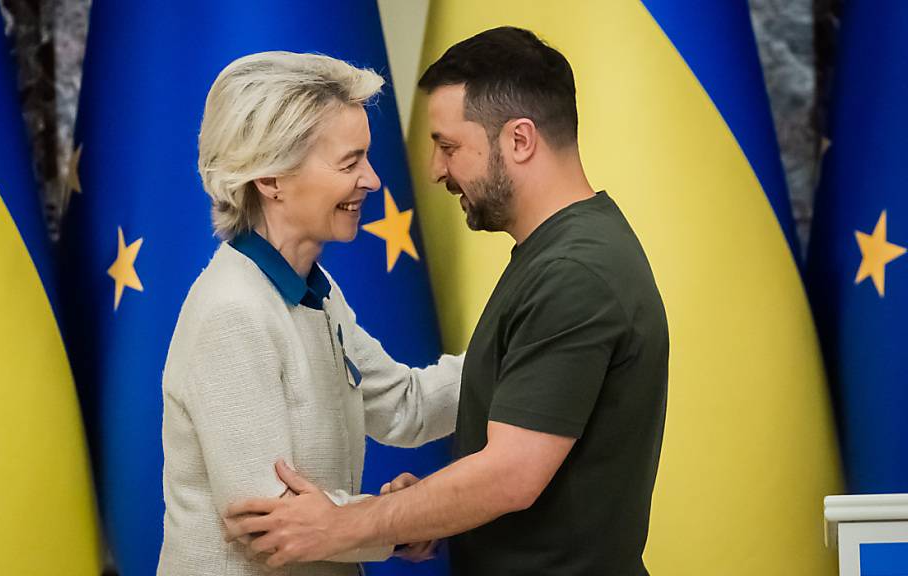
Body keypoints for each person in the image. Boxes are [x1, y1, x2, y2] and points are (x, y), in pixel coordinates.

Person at [225, 26, 670, 576]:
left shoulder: (572, 272)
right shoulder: (561, 253)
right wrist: (421, 510)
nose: (434, 170)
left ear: (520, 140)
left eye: (449, 146)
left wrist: (355, 523)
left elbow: (510, 475)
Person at [157, 51, 462, 576]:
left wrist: (520, 351)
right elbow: (272, 526)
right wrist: (398, 520)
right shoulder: (233, 312)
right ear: (270, 177)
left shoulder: (315, 295)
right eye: (350, 162)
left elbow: (405, 405)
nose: (371, 180)